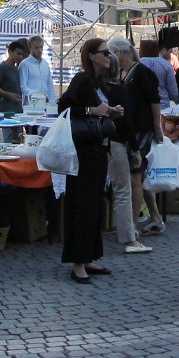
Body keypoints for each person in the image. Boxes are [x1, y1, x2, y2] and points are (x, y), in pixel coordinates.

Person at [58, 38, 123, 284]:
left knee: (95, 204)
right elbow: (64, 107)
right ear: (92, 56)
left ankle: (88, 257)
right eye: (105, 53)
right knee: (82, 205)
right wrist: (92, 111)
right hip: (83, 151)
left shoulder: (99, 84)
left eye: (109, 53)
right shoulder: (81, 79)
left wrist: (110, 111)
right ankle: (77, 262)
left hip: (97, 148)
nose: (109, 56)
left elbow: (93, 109)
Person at [109, 37, 163, 250]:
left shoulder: (141, 72)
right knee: (140, 176)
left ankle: (130, 225)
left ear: (121, 52)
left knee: (135, 177)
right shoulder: (123, 74)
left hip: (142, 129)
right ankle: (156, 218)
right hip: (131, 129)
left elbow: (154, 100)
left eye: (112, 53)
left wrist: (157, 128)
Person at [18, 34, 57, 112]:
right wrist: (39, 96)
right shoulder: (24, 64)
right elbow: (23, 87)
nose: (40, 50)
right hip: (31, 106)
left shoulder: (45, 64)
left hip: (46, 106)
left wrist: (53, 104)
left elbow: (50, 86)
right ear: (30, 48)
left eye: (41, 47)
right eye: (36, 48)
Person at [0, 39, 28, 116]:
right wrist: (8, 95)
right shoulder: (1, 68)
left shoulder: (17, 68)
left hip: (18, 111)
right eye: (18, 53)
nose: (20, 57)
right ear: (10, 52)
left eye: (22, 54)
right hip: (6, 111)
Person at [139, 40, 179, 109]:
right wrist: (178, 103)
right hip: (162, 106)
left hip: (143, 106)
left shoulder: (139, 64)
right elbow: (173, 92)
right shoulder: (166, 65)